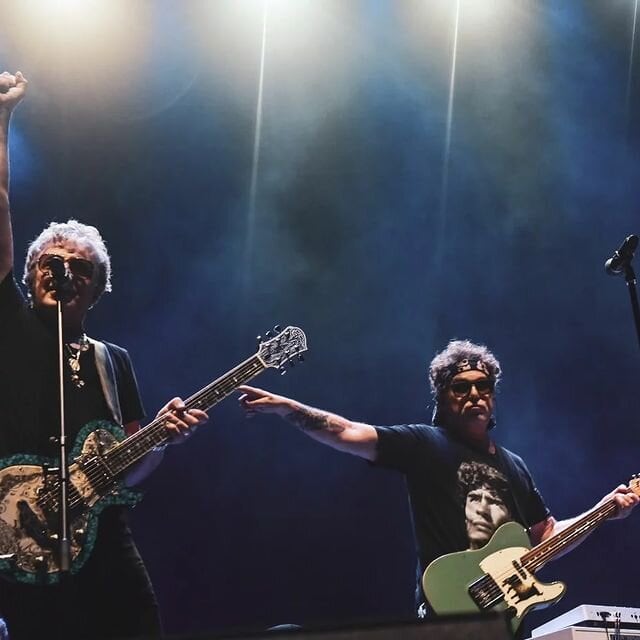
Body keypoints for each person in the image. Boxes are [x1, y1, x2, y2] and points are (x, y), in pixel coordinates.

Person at [0, 71, 208, 639]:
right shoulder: (12, 324)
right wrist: (2, 122)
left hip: (104, 540)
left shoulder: (112, 361)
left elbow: (131, 466)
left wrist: (163, 440)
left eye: (78, 267)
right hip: (21, 536)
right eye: (48, 261)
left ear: (95, 288)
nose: (60, 270)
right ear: (29, 270)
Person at [238, 339, 639, 619]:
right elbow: (347, 432)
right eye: (460, 388)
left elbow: (545, 537)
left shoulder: (515, 464)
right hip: (451, 601)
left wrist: (603, 511)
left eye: (483, 387)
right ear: (442, 399)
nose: (474, 394)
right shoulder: (425, 444)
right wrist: (288, 407)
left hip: (507, 611)